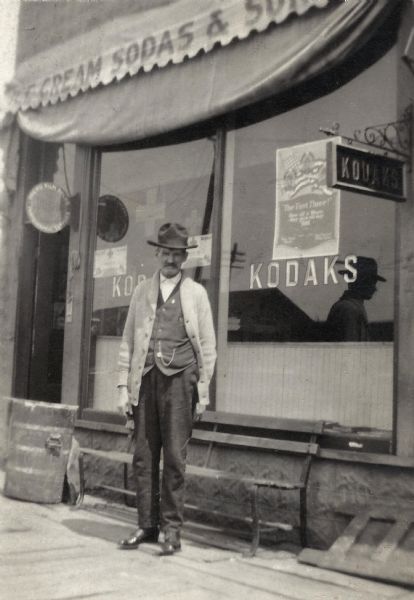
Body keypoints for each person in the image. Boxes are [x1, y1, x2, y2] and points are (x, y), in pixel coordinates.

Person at [117, 222, 216, 555]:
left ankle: (172, 531)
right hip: (145, 381)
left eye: (178, 254)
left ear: (184, 258)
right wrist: (122, 387)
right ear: (157, 254)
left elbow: (209, 347)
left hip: (180, 383)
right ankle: (147, 525)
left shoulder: (197, 294)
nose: (171, 259)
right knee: (144, 458)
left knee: (175, 458)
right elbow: (128, 342)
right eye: (166, 253)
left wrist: (202, 392)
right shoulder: (141, 292)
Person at [326, 256, 386, 342]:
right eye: (370, 282)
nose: (374, 288)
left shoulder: (351, 307)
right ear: (360, 282)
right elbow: (350, 349)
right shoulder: (349, 309)